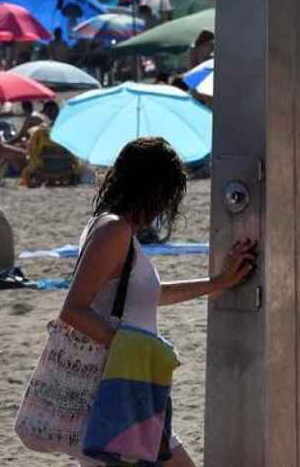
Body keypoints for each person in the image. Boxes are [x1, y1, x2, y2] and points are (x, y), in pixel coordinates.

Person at [59, 137, 257, 467]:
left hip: (131, 388)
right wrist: (137, 350)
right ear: (152, 189)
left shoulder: (114, 230)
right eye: (168, 194)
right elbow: (73, 309)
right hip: (114, 390)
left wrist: (217, 283)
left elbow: (151, 296)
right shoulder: (113, 231)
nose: (166, 206)